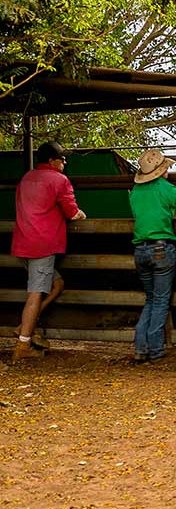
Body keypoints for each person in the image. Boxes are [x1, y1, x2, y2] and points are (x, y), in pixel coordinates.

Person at [10, 141, 85, 362]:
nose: (65, 162)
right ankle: (23, 347)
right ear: (52, 161)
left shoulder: (26, 178)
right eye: (62, 158)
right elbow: (71, 212)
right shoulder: (59, 180)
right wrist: (80, 214)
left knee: (57, 284)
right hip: (42, 245)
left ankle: (24, 326)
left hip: (22, 243)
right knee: (35, 294)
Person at [129, 148, 176, 364]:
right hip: (161, 249)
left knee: (150, 299)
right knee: (160, 300)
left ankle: (140, 346)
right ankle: (156, 349)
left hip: (140, 250)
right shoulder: (167, 189)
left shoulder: (136, 192)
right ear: (162, 170)